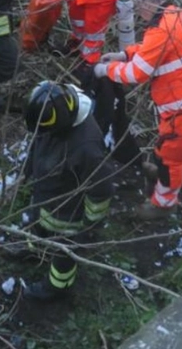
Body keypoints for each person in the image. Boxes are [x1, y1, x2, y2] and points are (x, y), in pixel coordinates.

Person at [95, 0, 182, 219]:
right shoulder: (177, 14)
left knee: (168, 156)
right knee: (172, 149)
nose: (137, 11)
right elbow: (155, 50)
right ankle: (167, 181)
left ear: (145, 3)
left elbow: (136, 73)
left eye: (137, 6)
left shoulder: (160, 29)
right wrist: (124, 54)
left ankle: (163, 204)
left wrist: (106, 70)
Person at [16, 81, 116, 301]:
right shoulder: (50, 113)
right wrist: (26, 172)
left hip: (68, 214)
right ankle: (34, 250)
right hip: (44, 196)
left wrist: (89, 228)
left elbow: (101, 190)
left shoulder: (88, 148)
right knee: (36, 224)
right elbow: (38, 144)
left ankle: (57, 287)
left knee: (63, 253)